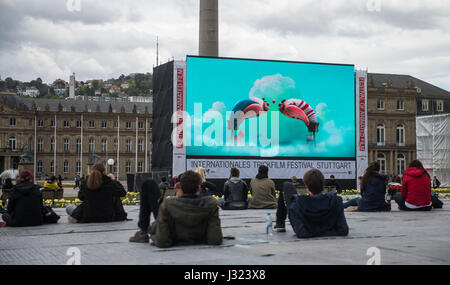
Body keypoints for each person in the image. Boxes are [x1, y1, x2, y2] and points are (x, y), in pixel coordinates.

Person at [130, 171, 223, 248]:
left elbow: (162, 241)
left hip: (172, 214)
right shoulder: (211, 205)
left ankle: (143, 231)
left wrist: (153, 234)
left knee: (149, 183)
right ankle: (144, 230)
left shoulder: (168, 204)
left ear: (180, 187)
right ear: (199, 188)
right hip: (198, 222)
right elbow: (214, 239)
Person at [287, 169, 349, 238]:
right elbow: (343, 230)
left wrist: (314, 233)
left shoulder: (296, 204)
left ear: (306, 186)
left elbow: (302, 233)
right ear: (323, 185)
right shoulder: (335, 201)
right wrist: (329, 231)